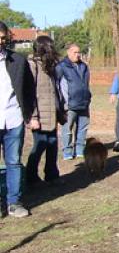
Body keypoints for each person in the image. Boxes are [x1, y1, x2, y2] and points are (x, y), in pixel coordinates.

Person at [0, 22, 35, 218]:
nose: (1, 42)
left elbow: (29, 89)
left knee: (13, 162)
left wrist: (28, 114)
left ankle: (14, 202)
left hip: (13, 120)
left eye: (3, 38)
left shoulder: (18, 61)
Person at [25, 36, 64, 185]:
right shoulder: (32, 65)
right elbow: (30, 93)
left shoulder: (50, 66)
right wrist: (33, 116)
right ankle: (31, 177)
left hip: (52, 113)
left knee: (53, 144)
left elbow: (55, 90)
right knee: (40, 144)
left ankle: (52, 175)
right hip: (39, 115)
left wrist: (60, 110)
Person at [56, 43, 91, 160]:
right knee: (67, 129)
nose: (78, 55)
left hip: (84, 103)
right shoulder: (61, 66)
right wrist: (62, 103)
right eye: (75, 52)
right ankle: (67, 152)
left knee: (82, 128)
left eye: (79, 52)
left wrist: (88, 97)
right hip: (69, 105)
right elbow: (56, 85)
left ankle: (80, 150)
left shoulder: (84, 66)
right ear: (68, 52)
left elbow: (86, 84)